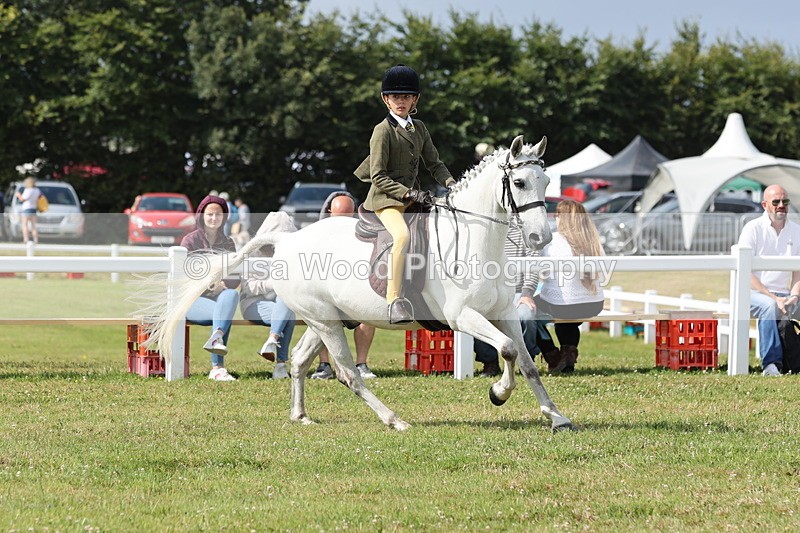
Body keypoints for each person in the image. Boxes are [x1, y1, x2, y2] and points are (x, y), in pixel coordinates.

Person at [354, 64, 455, 324]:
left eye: (406, 97)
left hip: (412, 199)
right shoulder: (382, 131)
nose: (401, 102)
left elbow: (435, 163)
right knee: (402, 236)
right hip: (385, 200)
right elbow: (378, 176)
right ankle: (394, 299)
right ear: (386, 99)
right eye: (396, 97)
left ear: (415, 100)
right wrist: (409, 193)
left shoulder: (418, 127)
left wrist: (452, 183)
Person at [309, 191, 378, 380]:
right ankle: (324, 365)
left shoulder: (362, 234)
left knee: (368, 316)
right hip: (328, 298)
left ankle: (361, 365)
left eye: (347, 217)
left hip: (353, 296)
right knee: (320, 313)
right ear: (330, 211)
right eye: (338, 217)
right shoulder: (316, 237)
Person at [534, 200, 605, 373]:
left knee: (524, 312)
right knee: (568, 321)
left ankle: (551, 353)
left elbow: (538, 269)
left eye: (557, 215)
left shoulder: (553, 241)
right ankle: (568, 356)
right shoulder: (593, 241)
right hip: (594, 304)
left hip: (561, 304)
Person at [738, 184, 800, 376]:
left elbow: (798, 272)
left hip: (785, 295)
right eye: (776, 202)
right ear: (765, 204)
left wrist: (795, 297)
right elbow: (746, 274)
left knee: (779, 305)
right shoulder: (752, 228)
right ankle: (771, 365)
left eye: (785, 201)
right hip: (753, 294)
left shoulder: (797, 230)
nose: (781, 205)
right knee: (769, 306)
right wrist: (775, 298)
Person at [181, 195, 240, 381]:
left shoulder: (228, 243)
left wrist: (223, 285)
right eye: (210, 214)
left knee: (231, 295)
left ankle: (217, 345)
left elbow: (236, 276)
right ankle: (217, 367)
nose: (214, 218)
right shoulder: (189, 241)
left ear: (224, 217)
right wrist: (208, 286)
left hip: (221, 297)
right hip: (193, 300)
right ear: (202, 215)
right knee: (224, 313)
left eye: (218, 215)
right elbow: (183, 276)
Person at [472, 223, 542, 377]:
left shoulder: (525, 231)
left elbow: (533, 264)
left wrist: (527, 293)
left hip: (518, 292)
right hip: (493, 291)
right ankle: (489, 363)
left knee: (526, 316)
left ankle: (528, 359)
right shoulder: (487, 231)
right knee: (479, 316)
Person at [239, 212, 298, 379]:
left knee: (288, 309)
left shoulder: (289, 257)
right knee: (289, 316)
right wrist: (273, 283)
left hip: (280, 304)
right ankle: (280, 363)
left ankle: (272, 341)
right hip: (252, 304)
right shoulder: (252, 255)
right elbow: (248, 287)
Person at [15, 177, 42, 243]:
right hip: (34, 209)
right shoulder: (37, 190)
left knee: (25, 225)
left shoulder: (28, 190)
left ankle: (26, 239)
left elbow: (22, 199)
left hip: (27, 209)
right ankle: (36, 240)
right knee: (33, 226)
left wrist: (18, 195)